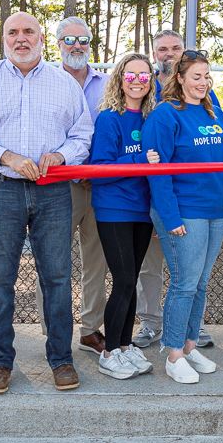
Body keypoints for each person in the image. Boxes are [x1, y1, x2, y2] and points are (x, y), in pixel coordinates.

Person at [0, 11, 93, 395]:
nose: (21, 38)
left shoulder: (64, 83)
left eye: (28, 31)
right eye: (12, 32)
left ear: (41, 38)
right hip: (1, 188)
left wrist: (63, 156)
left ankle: (61, 359)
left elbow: (83, 134)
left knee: (58, 277)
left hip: (52, 192)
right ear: (3, 39)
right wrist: (7, 157)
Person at [142, 50, 223, 384]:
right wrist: (170, 218)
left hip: (214, 213)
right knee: (185, 283)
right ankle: (172, 353)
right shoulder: (165, 115)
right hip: (185, 212)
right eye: (196, 76)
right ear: (180, 78)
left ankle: (187, 345)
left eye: (207, 76)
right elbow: (159, 173)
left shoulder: (215, 113)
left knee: (200, 283)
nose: (203, 82)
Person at [133, 29, 216, 350]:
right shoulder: (145, 87)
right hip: (151, 193)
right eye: (162, 49)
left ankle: (192, 329)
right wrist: (162, 208)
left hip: (189, 201)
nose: (169, 54)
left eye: (176, 48)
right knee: (151, 267)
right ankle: (150, 322)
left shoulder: (202, 91)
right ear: (154, 54)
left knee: (192, 274)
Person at [34, 17, 110, 354]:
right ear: (57, 44)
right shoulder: (43, 82)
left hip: (101, 186)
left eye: (83, 40)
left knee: (97, 261)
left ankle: (91, 329)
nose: (76, 46)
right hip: (58, 187)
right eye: (69, 40)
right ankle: (53, 328)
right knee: (51, 260)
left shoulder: (108, 85)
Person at [89, 52, 158, 380]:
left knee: (130, 282)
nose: (137, 81)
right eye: (131, 74)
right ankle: (110, 351)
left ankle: (126, 345)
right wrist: (141, 160)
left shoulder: (152, 118)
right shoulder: (108, 118)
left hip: (141, 211)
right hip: (114, 208)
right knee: (125, 279)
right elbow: (99, 170)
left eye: (144, 75)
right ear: (120, 78)